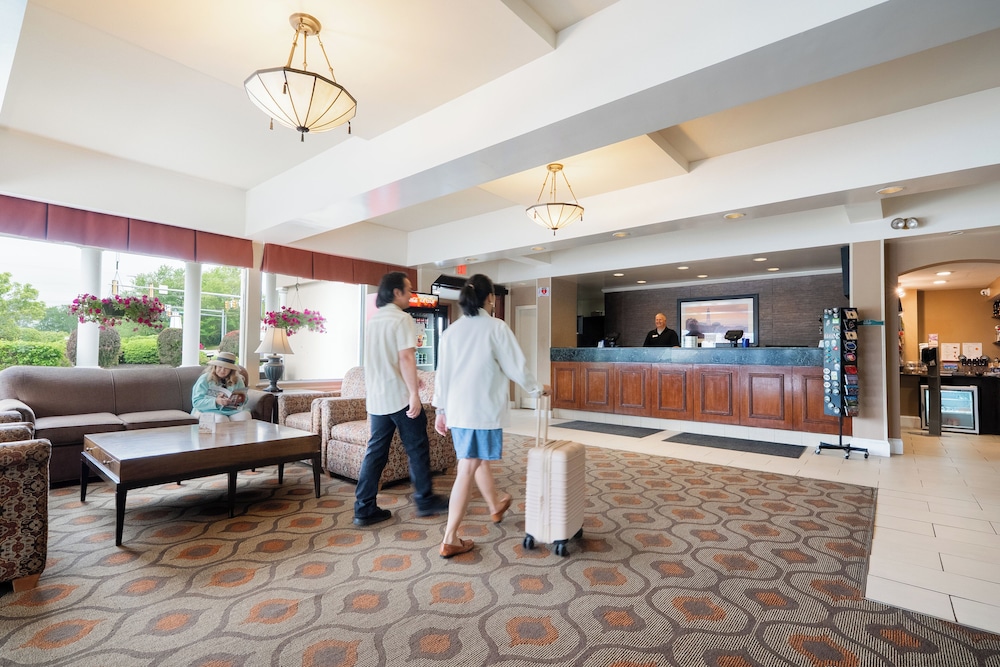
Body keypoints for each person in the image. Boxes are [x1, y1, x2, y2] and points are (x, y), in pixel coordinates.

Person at [432, 274, 548, 558]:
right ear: (490, 298)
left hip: (458, 410)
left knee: (476, 459)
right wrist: (537, 389)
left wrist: (440, 410)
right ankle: (450, 537)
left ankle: (495, 505)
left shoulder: (451, 332)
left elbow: (441, 374)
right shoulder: (496, 327)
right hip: (480, 410)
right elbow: (516, 365)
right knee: (467, 467)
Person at [353, 272, 449, 526]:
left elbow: (385, 360)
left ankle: (363, 508)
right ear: (396, 292)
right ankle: (425, 499)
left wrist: (413, 379)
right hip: (399, 398)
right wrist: (414, 394)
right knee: (417, 448)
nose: (411, 294)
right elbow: (405, 357)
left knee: (375, 453)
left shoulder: (374, 320)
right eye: (409, 290)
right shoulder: (401, 318)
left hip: (377, 398)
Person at [191, 351, 252, 422]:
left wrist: (240, 399)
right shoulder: (205, 379)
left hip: (231, 410)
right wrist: (216, 401)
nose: (222, 370)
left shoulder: (238, 380)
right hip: (207, 410)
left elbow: (245, 399)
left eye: (226, 368)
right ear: (215, 367)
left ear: (231, 370)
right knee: (221, 419)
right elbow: (196, 402)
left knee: (245, 415)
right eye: (220, 367)